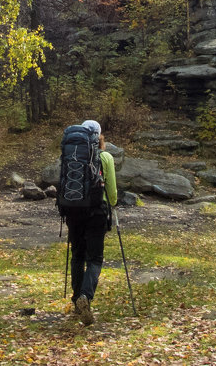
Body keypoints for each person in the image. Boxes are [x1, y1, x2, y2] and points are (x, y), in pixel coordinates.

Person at [65, 119, 117, 325]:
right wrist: (113, 203)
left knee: (77, 255)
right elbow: (111, 190)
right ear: (99, 136)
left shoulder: (71, 155)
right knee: (94, 258)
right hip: (96, 213)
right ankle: (86, 296)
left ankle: (77, 298)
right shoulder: (105, 157)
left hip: (72, 211)